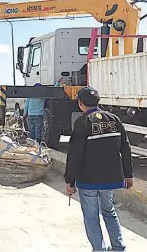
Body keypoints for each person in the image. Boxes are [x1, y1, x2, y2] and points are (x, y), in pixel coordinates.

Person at [64, 86, 133, 252]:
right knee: (109, 212)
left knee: (91, 216)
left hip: (88, 181)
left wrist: (69, 180)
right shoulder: (114, 119)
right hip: (111, 179)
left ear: (80, 103)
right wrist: (128, 175)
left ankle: (99, 249)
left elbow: (74, 155)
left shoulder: (82, 123)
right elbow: (125, 147)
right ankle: (118, 247)